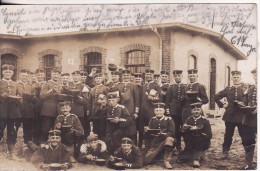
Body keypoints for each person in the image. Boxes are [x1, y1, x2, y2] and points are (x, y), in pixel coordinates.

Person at [214, 70, 246, 159]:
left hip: (242, 115)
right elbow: (216, 97)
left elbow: (250, 100)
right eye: (234, 77)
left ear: (240, 78)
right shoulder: (228, 89)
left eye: (237, 77)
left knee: (244, 135)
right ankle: (225, 153)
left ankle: (248, 154)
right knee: (228, 135)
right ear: (232, 78)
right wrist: (222, 104)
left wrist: (245, 105)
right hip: (230, 116)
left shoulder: (245, 89)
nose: (236, 79)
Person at [177, 102, 212, 168]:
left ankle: (196, 159)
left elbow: (209, 135)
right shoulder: (188, 120)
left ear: (201, 111)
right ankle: (198, 155)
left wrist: (200, 132)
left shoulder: (205, 121)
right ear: (191, 111)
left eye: (198, 110)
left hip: (202, 142)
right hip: (191, 142)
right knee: (181, 159)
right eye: (194, 110)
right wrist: (183, 129)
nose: (196, 111)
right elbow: (183, 133)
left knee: (198, 140)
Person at [144, 102, 175, 169]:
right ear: (154, 111)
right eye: (157, 110)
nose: (158, 112)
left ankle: (166, 160)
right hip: (155, 143)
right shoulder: (152, 120)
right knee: (146, 161)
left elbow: (172, 132)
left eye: (160, 110)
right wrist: (147, 131)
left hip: (165, 141)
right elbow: (148, 135)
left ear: (163, 111)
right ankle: (158, 157)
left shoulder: (169, 119)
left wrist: (164, 134)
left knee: (170, 139)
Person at [0, 64, 22, 159]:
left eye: (10, 72)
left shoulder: (16, 84)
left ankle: (11, 152)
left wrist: (19, 99)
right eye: (6, 72)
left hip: (13, 112)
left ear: (12, 73)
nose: (8, 73)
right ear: (2, 72)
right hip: (2, 110)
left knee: (12, 132)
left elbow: (20, 97)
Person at [139, 69, 162, 147]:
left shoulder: (156, 86)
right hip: (142, 111)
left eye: (150, 74)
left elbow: (160, 99)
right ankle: (140, 146)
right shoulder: (143, 85)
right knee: (142, 128)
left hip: (151, 110)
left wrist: (152, 98)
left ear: (152, 76)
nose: (148, 76)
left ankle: (150, 146)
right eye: (147, 74)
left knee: (151, 128)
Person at [40, 67, 62, 144]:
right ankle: (42, 146)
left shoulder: (60, 85)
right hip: (48, 111)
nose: (56, 76)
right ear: (51, 74)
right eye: (55, 74)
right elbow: (42, 96)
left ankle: (54, 148)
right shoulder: (47, 83)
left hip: (57, 111)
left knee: (56, 130)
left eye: (58, 74)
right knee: (45, 130)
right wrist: (52, 90)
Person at [165, 70, 186, 152]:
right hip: (174, 112)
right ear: (173, 77)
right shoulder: (171, 87)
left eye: (179, 76)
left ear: (182, 76)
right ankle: (177, 147)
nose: (177, 77)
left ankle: (187, 148)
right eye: (176, 76)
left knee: (184, 129)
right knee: (176, 129)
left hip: (183, 111)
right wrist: (168, 111)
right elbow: (167, 101)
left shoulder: (185, 86)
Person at [241, 68, 257, 169]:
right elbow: (246, 101)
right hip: (249, 118)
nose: (256, 77)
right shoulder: (250, 88)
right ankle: (249, 162)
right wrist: (243, 105)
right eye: (255, 75)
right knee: (247, 139)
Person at [17, 69, 37, 146]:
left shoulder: (30, 86)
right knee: (16, 128)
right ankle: (15, 146)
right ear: (20, 76)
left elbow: (34, 99)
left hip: (28, 111)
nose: (24, 77)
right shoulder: (16, 84)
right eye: (23, 76)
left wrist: (33, 98)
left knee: (28, 129)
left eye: (26, 76)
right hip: (18, 109)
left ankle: (27, 145)